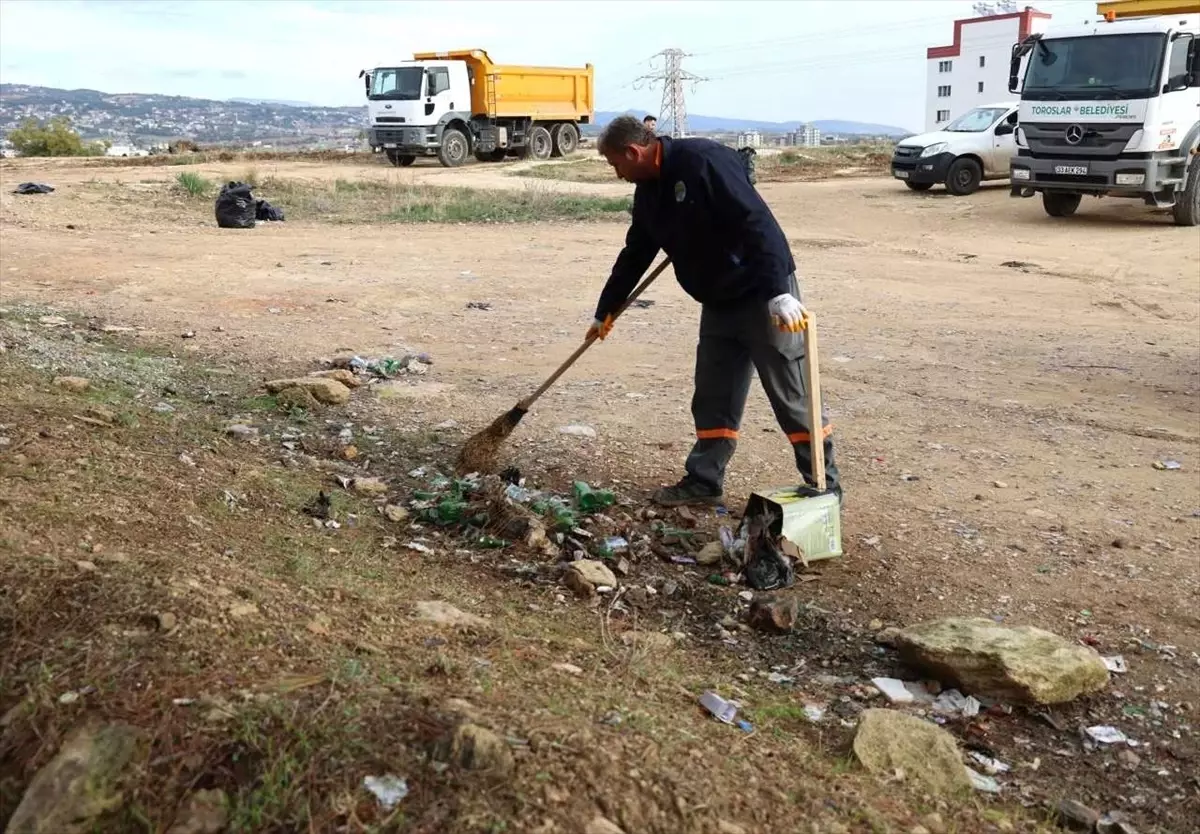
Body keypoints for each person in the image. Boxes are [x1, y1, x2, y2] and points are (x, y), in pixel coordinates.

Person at [588, 115, 841, 507]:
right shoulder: (647, 190)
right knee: (713, 394)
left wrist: (778, 291)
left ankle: (824, 486)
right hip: (717, 301)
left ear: (633, 152)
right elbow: (636, 251)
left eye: (615, 164)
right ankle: (704, 480)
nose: (616, 173)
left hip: (762, 296)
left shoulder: (704, 161)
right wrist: (607, 309)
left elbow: (757, 222)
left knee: (791, 395)